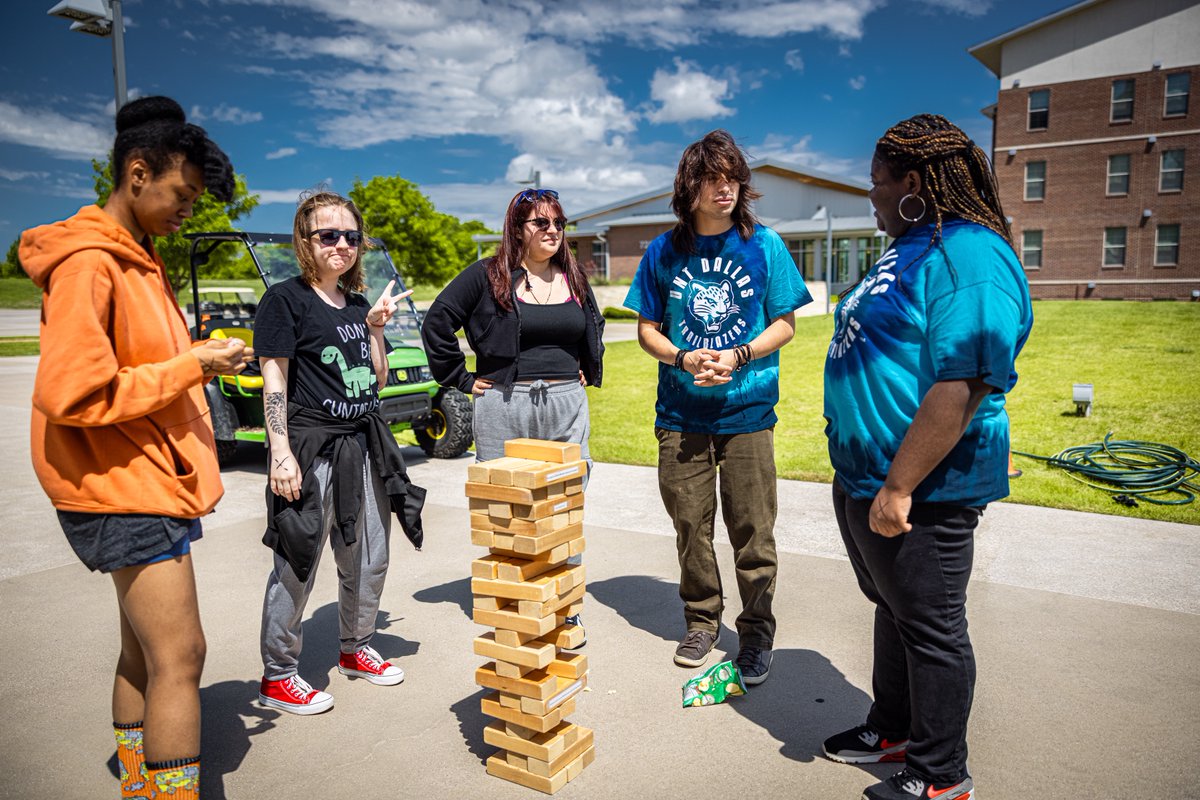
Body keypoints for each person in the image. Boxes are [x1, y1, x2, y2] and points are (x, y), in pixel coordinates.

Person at [22, 96, 246, 799]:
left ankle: (140, 784)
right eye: (182, 196)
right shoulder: (90, 263)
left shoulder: (138, 257)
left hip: (141, 478)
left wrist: (196, 352)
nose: (189, 212)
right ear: (138, 173)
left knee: (143, 652)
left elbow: (137, 361)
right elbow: (77, 393)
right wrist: (195, 365)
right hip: (121, 486)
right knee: (183, 656)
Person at [821, 114, 1033, 800]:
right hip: (866, 474)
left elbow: (967, 378)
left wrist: (900, 485)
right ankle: (893, 730)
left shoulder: (971, 254)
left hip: (925, 488)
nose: (873, 197)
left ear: (914, 181)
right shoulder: (910, 247)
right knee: (894, 608)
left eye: (877, 184)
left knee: (934, 629)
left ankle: (940, 775)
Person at [622, 130, 811, 683]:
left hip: (748, 413)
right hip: (681, 416)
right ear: (691, 187)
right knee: (690, 528)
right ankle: (702, 621)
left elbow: (786, 323)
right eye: (713, 179)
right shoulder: (663, 251)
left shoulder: (765, 245)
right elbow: (646, 331)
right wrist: (683, 358)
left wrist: (741, 353)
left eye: (732, 177)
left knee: (754, 530)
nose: (725, 188)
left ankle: (755, 634)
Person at [254, 191, 425, 715]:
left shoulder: (355, 305)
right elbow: (274, 380)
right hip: (311, 447)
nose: (343, 245)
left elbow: (374, 378)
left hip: (362, 446)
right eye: (329, 235)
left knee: (369, 557)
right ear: (305, 241)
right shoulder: (284, 300)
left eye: (352, 237)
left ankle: (355, 648)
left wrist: (374, 329)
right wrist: (279, 452)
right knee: (297, 560)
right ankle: (280, 675)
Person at [422, 188, 604, 643]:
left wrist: (586, 366)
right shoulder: (488, 276)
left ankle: (564, 609)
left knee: (564, 508)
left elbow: (592, 324)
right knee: (507, 510)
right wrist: (461, 379)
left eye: (558, 224)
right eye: (540, 223)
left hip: (564, 404)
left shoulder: (572, 276)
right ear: (517, 229)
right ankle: (512, 602)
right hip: (504, 403)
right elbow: (438, 321)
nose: (552, 232)